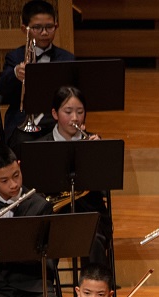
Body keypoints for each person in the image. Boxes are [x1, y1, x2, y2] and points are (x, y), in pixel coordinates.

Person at [33, 85, 113, 265]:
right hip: (53, 218)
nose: (75, 118)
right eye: (68, 112)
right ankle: (49, 292)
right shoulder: (40, 147)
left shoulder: (93, 143)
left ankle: (93, 290)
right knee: (43, 245)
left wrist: (98, 156)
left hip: (90, 215)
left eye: (80, 111)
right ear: (55, 114)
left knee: (95, 242)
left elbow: (104, 189)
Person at [0, 145, 61, 297]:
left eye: (16, 175)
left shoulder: (40, 207)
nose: (14, 184)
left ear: (19, 164)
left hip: (33, 286)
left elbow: (48, 260)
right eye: (4, 180)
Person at [0, 0, 75, 147]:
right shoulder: (15, 57)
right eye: (37, 27)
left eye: (49, 27)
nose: (44, 33)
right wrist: (15, 74)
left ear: (56, 26)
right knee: (23, 144)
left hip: (57, 119)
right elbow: (0, 89)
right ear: (25, 29)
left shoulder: (67, 58)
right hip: (22, 120)